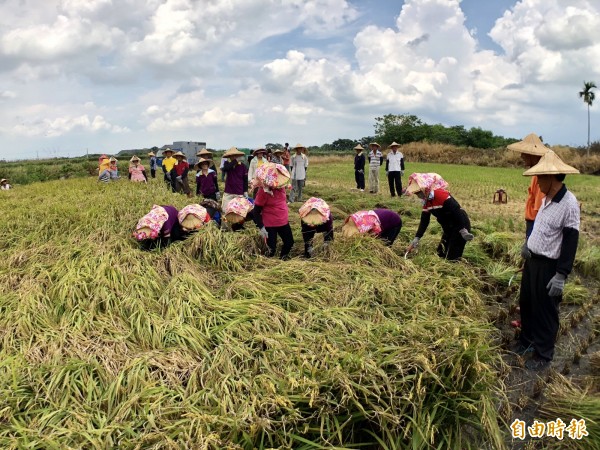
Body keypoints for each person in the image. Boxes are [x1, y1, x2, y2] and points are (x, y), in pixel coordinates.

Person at [517, 151, 580, 371]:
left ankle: (543, 354)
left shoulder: (569, 204)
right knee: (527, 303)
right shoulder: (546, 198)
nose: (537, 183)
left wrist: (561, 274)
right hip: (533, 261)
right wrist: (528, 244)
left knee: (545, 310)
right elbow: (540, 227)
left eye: (539, 178)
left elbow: (571, 241)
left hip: (548, 266)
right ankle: (526, 341)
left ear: (550, 177)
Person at [405, 173, 473, 260]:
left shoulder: (440, 195)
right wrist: (416, 239)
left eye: (419, 192)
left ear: (425, 188)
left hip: (459, 224)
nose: (418, 195)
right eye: (416, 193)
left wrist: (463, 230)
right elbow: (424, 222)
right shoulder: (427, 202)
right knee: (440, 253)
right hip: (448, 227)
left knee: (452, 257)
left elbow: (456, 210)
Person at [507, 133, 549, 238]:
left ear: (532, 155)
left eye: (524, 153)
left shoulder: (540, 176)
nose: (521, 156)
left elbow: (540, 208)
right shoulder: (536, 173)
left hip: (535, 223)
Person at [253, 162, 294, 259]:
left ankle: (283, 258)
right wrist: (261, 227)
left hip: (283, 221)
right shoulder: (263, 191)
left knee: (289, 242)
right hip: (270, 224)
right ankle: (267, 265)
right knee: (271, 249)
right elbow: (256, 211)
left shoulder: (282, 187)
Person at [221, 147, 249, 216]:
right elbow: (225, 169)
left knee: (240, 211)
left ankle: (238, 226)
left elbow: (245, 179)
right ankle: (225, 226)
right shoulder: (227, 164)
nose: (233, 157)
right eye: (231, 156)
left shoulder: (243, 166)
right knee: (225, 210)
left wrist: (245, 191)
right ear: (229, 157)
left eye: (235, 155)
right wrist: (235, 161)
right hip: (228, 192)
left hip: (239, 192)